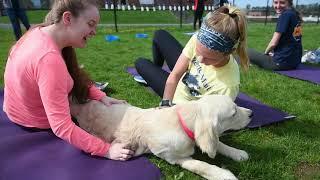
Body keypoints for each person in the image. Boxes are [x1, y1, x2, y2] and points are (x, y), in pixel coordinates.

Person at [3, 0, 134, 161]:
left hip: (15, 111)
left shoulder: (40, 32)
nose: (94, 32)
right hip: (33, 122)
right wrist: (106, 150)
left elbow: (70, 75)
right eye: (90, 24)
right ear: (68, 18)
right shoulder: (49, 59)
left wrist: (100, 95)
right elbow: (61, 126)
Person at [135, 5, 249, 106]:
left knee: (140, 63)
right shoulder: (197, 39)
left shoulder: (227, 86)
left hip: (182, 103)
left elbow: (207, 120)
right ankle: (156, 70)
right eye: (199, 51)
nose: (200, 59)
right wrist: (165, 104)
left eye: (209, 58)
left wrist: (171, 108)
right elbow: (175, 75)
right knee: (159, 35)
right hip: (185, 76)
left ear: (228, 53)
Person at [248, 0, 302, 70]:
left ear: (289, 3)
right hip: (295, 62)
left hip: (280, 63)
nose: (278, 6)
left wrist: (265, 54)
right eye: (276, 2)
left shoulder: (285, 15)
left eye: (282, 3)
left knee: (243, 50)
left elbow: (273, 43)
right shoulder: (295, 15)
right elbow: (293, 40)